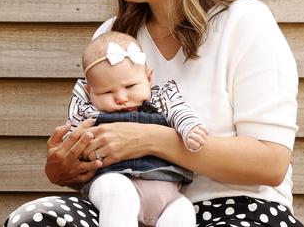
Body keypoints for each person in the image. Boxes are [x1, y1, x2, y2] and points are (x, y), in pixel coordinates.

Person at [5, 0, 303, 227]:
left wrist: (150, 139)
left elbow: (270, 163)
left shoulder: (244, 22)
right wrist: (66, 167)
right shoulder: (112, 36)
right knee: (36, 219)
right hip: (132, 211)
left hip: (237, 211)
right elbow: (97, 141)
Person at [66, 30, 206, 226]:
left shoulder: (161, 100)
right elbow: (72, 138)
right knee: (119, 195)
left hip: (168, 196)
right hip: (113, 180)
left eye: (130, 86)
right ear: (90, 92)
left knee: (183, 212)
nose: (121, 98)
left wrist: (190, 128)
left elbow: (179, 111)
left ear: (148, 79)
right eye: (107, 91)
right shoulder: (89, 112)